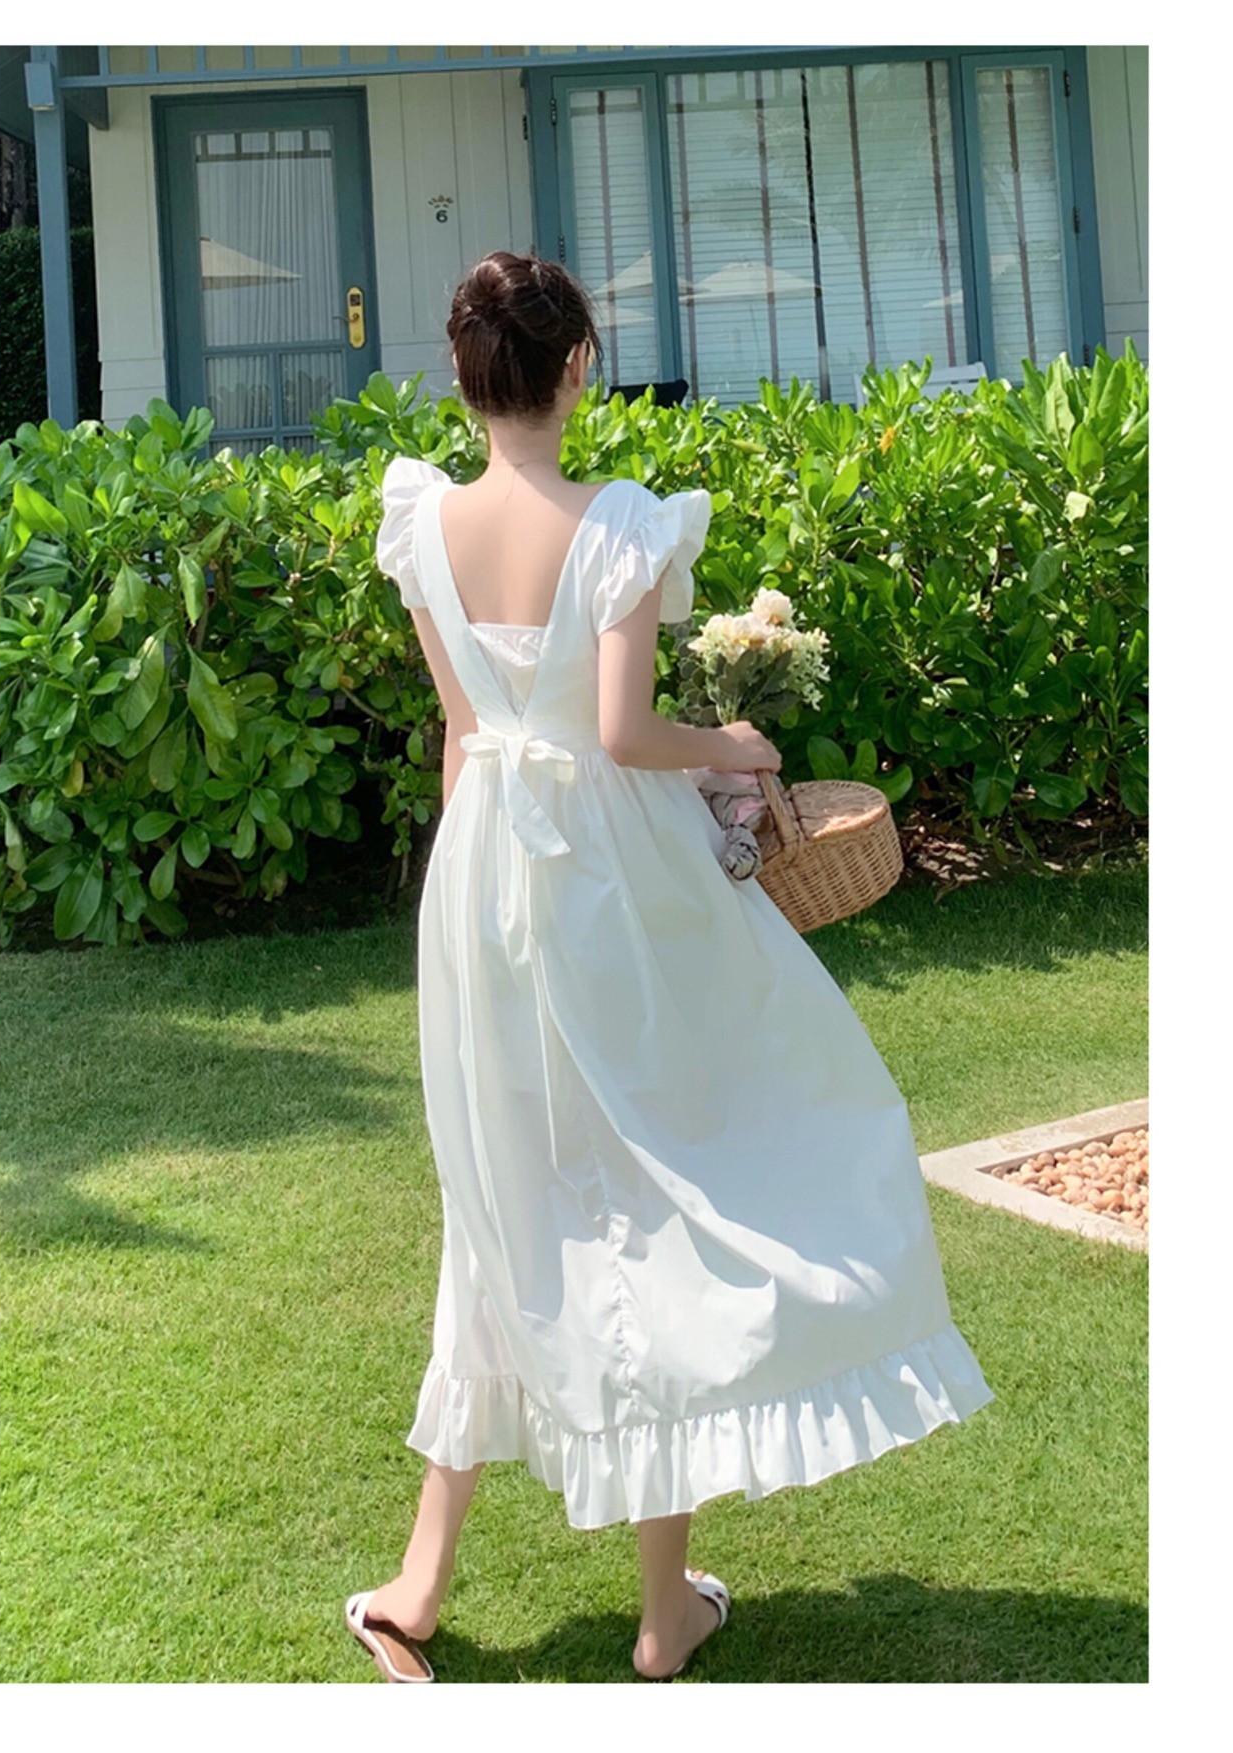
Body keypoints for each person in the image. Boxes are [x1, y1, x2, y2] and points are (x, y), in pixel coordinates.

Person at [346, 250, 995, 1684]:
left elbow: (467, 736)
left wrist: (473, 908)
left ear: (461, 376)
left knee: (504, 1204)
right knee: (665, 1192)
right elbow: (623, 732)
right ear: (578, 367)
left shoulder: (421, 526)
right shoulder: (621, 525)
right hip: (611, 887)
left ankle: (421, 1588)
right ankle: (660, 1613)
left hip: (482, 878)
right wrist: (738, 747)